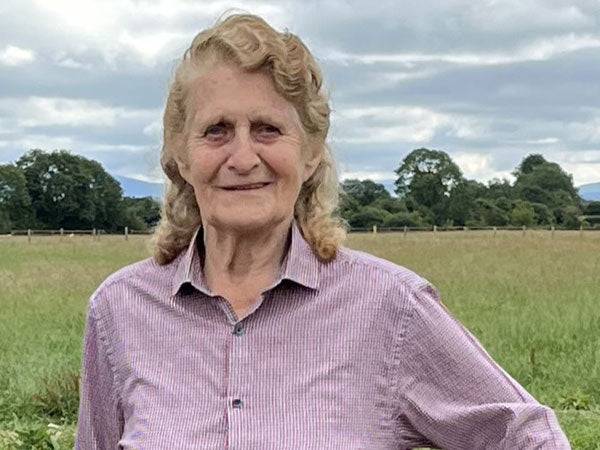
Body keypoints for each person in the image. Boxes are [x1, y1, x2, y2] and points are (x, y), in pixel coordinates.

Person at [75, 13, 570, 450]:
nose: (243, 157)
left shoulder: (391, 308)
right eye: (216, 130)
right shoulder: (120, 310)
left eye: (268, 129)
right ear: (181, 155)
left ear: (311, 152)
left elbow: (526, 434)